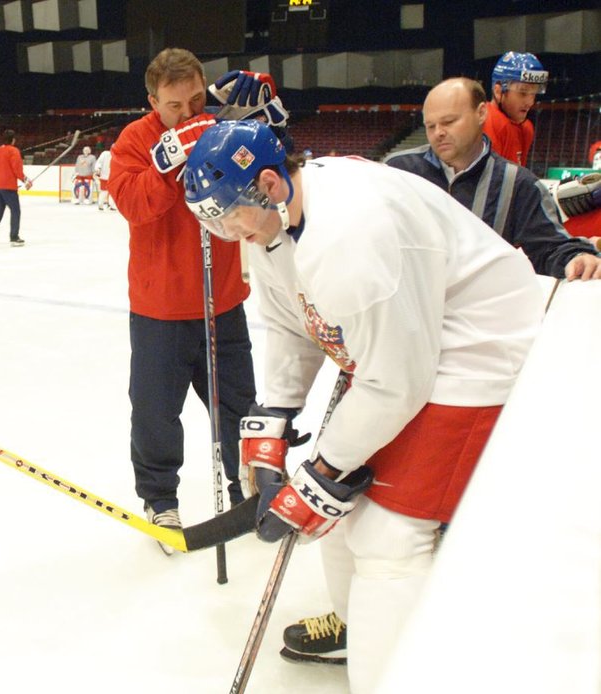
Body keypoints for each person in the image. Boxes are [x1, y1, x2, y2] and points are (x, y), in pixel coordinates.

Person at [183, 119, 543, 694]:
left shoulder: (348, 236)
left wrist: (322, 471)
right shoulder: (276, 222)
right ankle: (362, 629)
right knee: (345, 517)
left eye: (229, 215)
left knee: (390, 539)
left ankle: (394, 674)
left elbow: (398, 382)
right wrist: (273, 420)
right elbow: (293, 322)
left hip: (476, 349)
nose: (228, 232)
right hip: (404, 346)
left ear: (270, 183)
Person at [108, 48, 258, 554]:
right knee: (155, 413)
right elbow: (134, 205)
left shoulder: (223, 125)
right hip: (161, 309)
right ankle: (160, 500)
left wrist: (263, 116)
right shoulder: (134, 140)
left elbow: (267, 179)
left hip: (224, 300)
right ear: (153, 102)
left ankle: (247, 487)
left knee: (239, 405)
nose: (190, 114)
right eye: (175, 106)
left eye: (197, 99)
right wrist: (168, 162)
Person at [385, 77, 601, 280]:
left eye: (449, 121)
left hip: (475, 311)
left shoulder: (518, 184)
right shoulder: (396, 170)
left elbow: (551, 247)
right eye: (430, 126)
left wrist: (577, 258)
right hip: (407, 306)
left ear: (481, 113)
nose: (438, 132)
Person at [482, 51, 548, 167]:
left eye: (533, 94)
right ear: (498, 91)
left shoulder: (526, 128)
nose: (530, 102)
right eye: (522, 93)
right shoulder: (488, 121)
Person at [0, 129, 31, 247]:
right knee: (15, 210)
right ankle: (14, 237)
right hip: (8, 186)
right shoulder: (14, 151)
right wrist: (25, 180)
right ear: (13, 140)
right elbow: (17, 169)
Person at [94, 145, 112, 210]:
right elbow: (99, 162)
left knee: (113, 192)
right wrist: (98, 169)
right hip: (105, 176)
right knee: (104, 191)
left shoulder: (119, 155)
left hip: (113, 177)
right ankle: (100, 205)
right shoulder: (105, 154)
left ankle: (111, 205)